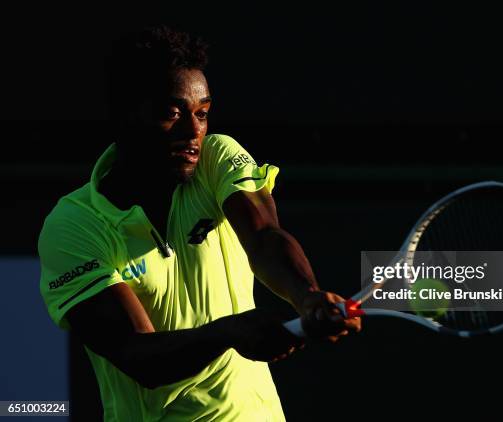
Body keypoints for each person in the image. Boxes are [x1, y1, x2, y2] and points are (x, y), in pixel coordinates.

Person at [38, 25, 360, 421]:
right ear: (125, 112)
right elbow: (138, 355)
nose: (194, 132)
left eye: (202, 113)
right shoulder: (74, 225)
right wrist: (230, 333)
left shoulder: (215, 158)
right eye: (171, 114)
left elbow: (262, 235)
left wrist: (306, 295)